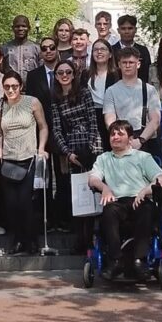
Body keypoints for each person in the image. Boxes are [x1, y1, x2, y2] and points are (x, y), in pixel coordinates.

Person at [88, 120, 162, 280]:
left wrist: (145, 191)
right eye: (112, 134)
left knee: (146, 209)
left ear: (130, 139)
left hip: (140, 200)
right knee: (108, 211)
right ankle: (116, 260)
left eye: (120, 134)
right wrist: (105, 188)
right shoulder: (104, 158)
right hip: (117, 202)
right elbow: (92, 179)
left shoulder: (143, 157)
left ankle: (139, 260)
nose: (115, 137)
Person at [50, 58, 102, 253]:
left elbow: (92, 121)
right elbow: (56, 129)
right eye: (60, 73)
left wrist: (91, 148)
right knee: (78, 196)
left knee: (94, 192)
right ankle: (80, 239)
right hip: (71, 147)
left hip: (91, 146)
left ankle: (94, 239)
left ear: (73, 74)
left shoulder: (84, 92)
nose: (64, 76)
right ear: (56, 76)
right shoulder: (55, 97)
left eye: (68, 72)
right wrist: (67, 152)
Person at [0, 70, 48, 255]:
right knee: (11, 204)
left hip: (29, 158)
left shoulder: (31, 102)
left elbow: (43, 127)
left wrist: (41, 148)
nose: (11, 90)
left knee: (25, 202)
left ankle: (31, 241)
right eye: (7, 86)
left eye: (14, 86)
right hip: (8, 159)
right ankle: (17, 240)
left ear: (21, 87)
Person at [103, 47, 161, 157]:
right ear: (119, 65)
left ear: (138, 64)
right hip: (121, 140)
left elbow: (155, 120)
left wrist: (140, 141)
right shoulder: (111, 91)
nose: (128, 65)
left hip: (146, 141)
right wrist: (122, 139)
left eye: (131, 62)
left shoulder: (149, 90)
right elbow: (109, 121)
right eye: (124, 62)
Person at [84, 38, 119, 150]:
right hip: (90, 116)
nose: (99, 52)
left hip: (111, 115)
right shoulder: (85, 74)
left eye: (103, 49)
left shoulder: (117, 74)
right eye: (96, 49)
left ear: (110, 54)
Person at [24, 37, 57, 122]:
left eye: (52, 47)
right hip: (42, 123)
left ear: (57, 49)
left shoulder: (66, 71)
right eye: (44, 48)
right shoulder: (32, 76)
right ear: (41, 53)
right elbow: (30, 103)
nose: (48, 51)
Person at [112, 15, 152, 84]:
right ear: (118, 30)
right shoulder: (111, 50)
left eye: (130, 28)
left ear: (135, 30)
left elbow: (147, 73)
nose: (127, 31)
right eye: (123, 28)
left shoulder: (143, 51)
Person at [1, 15, 40, 80]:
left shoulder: (37, 48)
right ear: (13, 28)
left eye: (24, 26)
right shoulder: (5, 48)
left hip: (32, 88)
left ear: (29, 28)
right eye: (17, 26)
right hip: (11, 87)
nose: (20, 29)